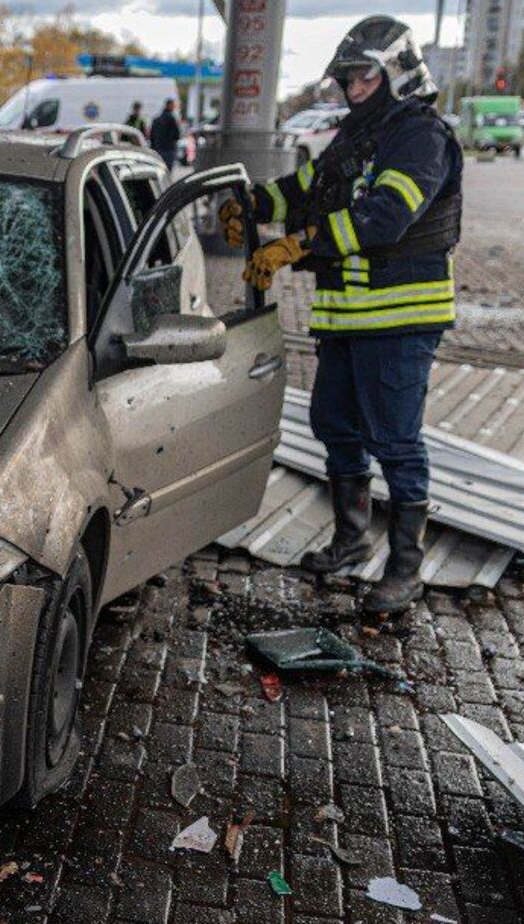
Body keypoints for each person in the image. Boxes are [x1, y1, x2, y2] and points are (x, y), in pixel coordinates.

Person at [218, 16, 462, 615]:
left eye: (364, 78)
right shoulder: (356, 138)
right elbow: (304, 189)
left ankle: (405, 570)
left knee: (395, 442)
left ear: (398, 74)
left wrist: (297, 244)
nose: (354, 90)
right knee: (335, 427)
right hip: (345, 318)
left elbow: (386, 216)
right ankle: (351, 541)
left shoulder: (420, 137)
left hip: (399, 320)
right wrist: (250, 203)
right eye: (348, 80)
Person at [149, 98, 183, 167]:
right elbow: (177, 135)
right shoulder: (172, 119)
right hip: (168, 149)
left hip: (157, 149)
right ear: (169, 105)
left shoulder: (156, 119)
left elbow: (151, 136)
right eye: (173, 105)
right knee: (167, 169)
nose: (174, 107)